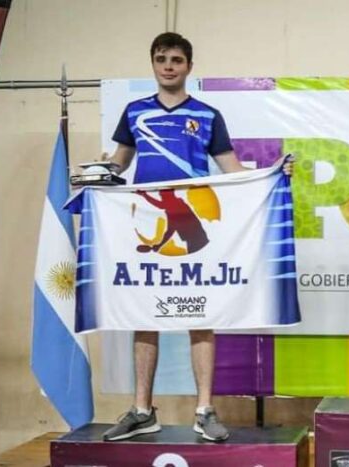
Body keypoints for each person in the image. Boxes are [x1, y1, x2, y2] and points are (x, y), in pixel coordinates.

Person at [97, 32, 289, 442]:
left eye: (177, 60)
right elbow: (118, 164)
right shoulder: (134, 113)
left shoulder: (207, 115)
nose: (169, 66)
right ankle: (142, 410)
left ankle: (204, 410)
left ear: (189, 66)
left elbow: (232, 169)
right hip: (144, 224)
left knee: (200, 315)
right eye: (162, 59)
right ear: (152, 64)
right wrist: (96, 175)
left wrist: (272, 175)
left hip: (193, 228)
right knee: (142, 315)